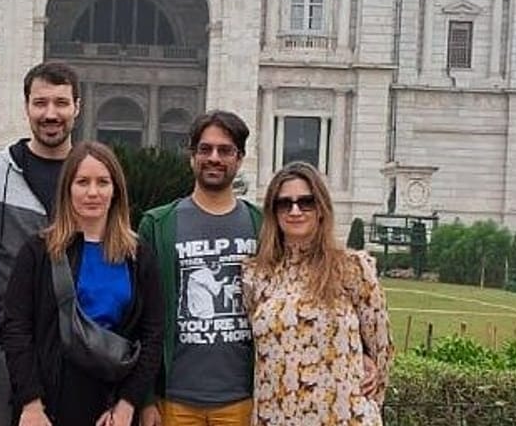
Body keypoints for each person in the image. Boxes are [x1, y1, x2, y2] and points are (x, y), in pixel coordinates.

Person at [1, 141, 163, 426]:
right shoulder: (37, 252)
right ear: (67, 189)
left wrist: (128, 404)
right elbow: (16, 330)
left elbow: (151, 335)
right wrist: (31, 402)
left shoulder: (138, 256)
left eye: (102, 182)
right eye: (82, 182)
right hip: (48, 406)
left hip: (113, 407)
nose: (92, 192)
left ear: (115, 190)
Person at [0, 61, 81, 426]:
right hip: (5, 357)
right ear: (26, 106)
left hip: (80, 358)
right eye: (40, 103)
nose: (50, 114)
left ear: (78, 106)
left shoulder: (93, 178)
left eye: (61, 103)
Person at [242, 162, 392, 425]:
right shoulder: (256, 276)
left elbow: (381, 350)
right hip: (276, 416)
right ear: (273, 212)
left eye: (306, 202)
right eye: (284, 203)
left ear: (321, 208)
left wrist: (370, 400)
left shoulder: (352, 268)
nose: (295, 210)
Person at [138, 110, 262, 426]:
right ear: (192, 157)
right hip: (174, 400)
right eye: (205, 149)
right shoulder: (158, 224)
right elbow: (142, 316)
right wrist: (146, 398)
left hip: (242, 398)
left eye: (225, 150)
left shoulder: (262, 225)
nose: (214, 158)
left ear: (240, 158)